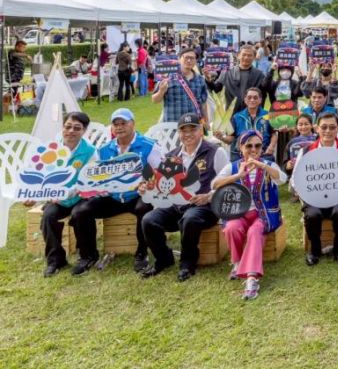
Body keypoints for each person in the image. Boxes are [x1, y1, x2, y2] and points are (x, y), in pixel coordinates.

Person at [69, 109, 163, 275]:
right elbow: (95, 177)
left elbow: (161, 172)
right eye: (116, 124)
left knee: (145, 206)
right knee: (80, 211)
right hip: (112, 197)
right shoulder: (105, 149)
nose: (119, 127)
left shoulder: (149, 145)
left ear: (133, 124)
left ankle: (141, 253)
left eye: (123, 123)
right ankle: (88, 255)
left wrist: (148, 183)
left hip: (138, 195)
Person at [138, 114, 229, 281]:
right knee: (149, 220)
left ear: (201, 130)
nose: (187, 134)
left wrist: (209, 196)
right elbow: (160, 184)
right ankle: (163, 259)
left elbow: (228, 183)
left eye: (192, 129)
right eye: (183, 130)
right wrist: (147, 187)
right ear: (178, 133)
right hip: (176, 206)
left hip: (204, 207)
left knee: (190, 219)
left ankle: (187, 263)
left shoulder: (216, 152)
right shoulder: (171, 156)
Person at [213, 130, 287, 300]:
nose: (253, 150)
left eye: (258, 146)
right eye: (249, 146)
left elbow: (282, 179)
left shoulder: (268, 165)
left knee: (255, 232)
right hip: (239, 212)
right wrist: (238, 176)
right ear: (241, 147)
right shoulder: (233, 166)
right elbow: (215, 184)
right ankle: (237, 262)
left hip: (264, 213)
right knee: (231, 227)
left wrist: (263, 166)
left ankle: (252, 278)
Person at [22, 112, 97, 277]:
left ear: (84, 130)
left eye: (77, 128)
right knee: (48, 216)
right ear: (62, 127)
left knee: (81, 213)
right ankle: (56, 260)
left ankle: (88, 256)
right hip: (57, 198)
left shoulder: (91, 152)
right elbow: (41, 174)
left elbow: (87, 182)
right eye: (67, 126)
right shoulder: (52, 148)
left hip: (81, 196)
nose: (71, 131)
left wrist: (64, 193)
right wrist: (34, 194)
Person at [298, 112, 338, 265]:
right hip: (314, 196)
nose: (328, 131)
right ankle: (315, 250)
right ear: (316, 128)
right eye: (324, 127)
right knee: (312, 215)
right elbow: (295, 178)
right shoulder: (305, 152)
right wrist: (303, 192)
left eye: (332, 127)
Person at [205, 45, 268, 115]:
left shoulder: (259, 75)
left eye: (250, 55)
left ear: (254, 57)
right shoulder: (227, 72)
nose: (246, 57)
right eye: (244, 55)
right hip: (232, 113)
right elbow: (216, 89)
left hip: (252, 114)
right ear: (238, 56)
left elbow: (265, 92)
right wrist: (208, 80)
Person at [216, 87, 275, 161]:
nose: (252, 100)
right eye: (249, 97)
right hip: (241, 157)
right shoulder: (236, 117)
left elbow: (274, 134)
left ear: (260, 100)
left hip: (263, 155)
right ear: (245, 100)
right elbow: (231, 138)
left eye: (255, 98)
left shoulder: (268, 115)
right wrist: (221, 137)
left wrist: (271, 147)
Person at [151, 48, 208, 123]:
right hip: (173, 124)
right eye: (186, 57)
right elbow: (154, 100)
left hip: (194, 125)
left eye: (192, 58)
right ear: (179, 59)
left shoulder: (200, 79)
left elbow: (203, 104)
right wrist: (161, 91)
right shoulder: (167, 77)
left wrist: (206, 123)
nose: (189, 60)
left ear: (195, 61)